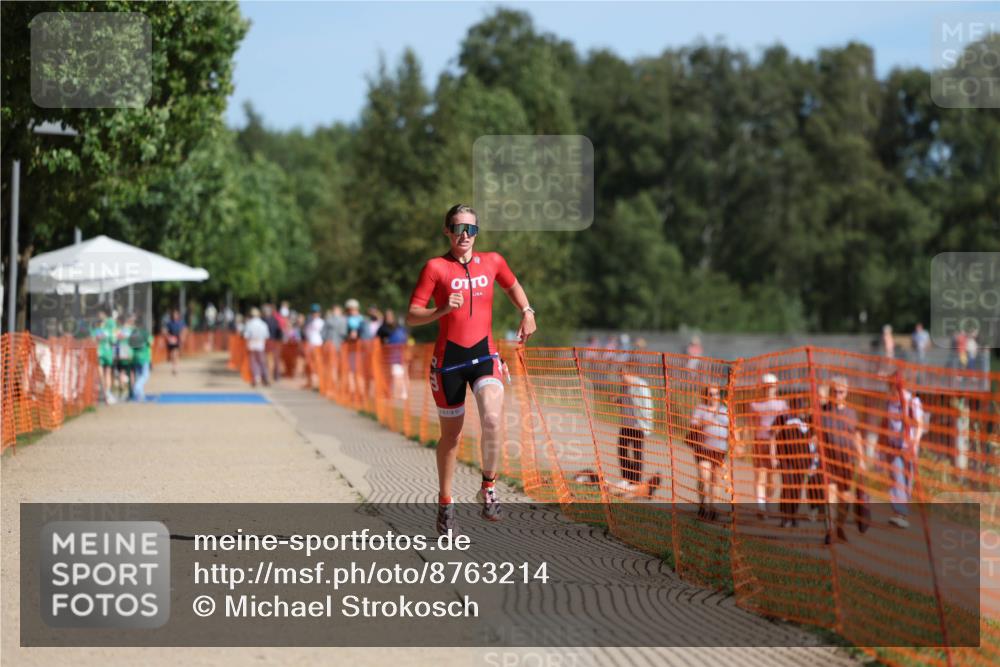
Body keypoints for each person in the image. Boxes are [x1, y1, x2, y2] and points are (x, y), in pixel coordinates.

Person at [407, 204, 536, 535]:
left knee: (493, 419)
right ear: (447, 231)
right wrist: (440, 310)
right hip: (448, 361)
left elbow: (511, 285)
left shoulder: (492, 261)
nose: (465, 235)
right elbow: (412, 315)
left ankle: (488, 488)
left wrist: (527, 310)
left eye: (471, 229)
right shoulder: (435, 268)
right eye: (458, 228)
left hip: (484, 356)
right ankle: (446, 503)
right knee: (452, 437)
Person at [818, 376, 867, 543]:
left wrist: (861, 459)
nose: (837, 394)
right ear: (829, 391)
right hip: (828, 461)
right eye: (834, 391)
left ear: (846, 393)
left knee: (844, 499)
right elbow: (814, 435)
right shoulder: (822, 411)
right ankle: (830, 531)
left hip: (846, 462)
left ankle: (839, 527)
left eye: (841, 392)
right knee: (829, 495)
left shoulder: (851, 413)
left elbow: (856, 436)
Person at [882, 372, 924, 529]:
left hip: (908, 446)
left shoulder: (912, 401)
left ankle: (902, 513)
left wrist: (915, 443)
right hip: (893, 446)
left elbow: (919, 424)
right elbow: (887, 423)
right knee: (896, 478)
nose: (890, 388)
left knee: (906, 480)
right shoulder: (889, 402)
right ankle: (899, 513)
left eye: (893, 385)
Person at [748, 373, 788, 520]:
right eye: (765, 386)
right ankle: (761, 507)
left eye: (771, 386)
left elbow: (786, 426)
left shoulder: (782, 405)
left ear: (775, 387)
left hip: (776, 445)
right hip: (759, 443)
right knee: (760, 476)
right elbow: (750, 426)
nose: (768, 389)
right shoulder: (754, 405)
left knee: (772, 480)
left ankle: (768, 502)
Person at [690, 384, 729, 520]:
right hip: (703, 449)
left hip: (719, 451)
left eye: (716, 393)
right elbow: (693, 426)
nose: (713, 397)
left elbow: (732, 430)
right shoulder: (701, 409)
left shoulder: (724, 410)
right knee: (704, 477)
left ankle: (714, 509)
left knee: (716, 480)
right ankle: (703, 505)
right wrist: (703, 423)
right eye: (711, 394)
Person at [613, 371, 654, 494]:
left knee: (637, 454)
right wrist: (618, 400)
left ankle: (635, 482)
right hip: (626, 424)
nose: (621, 378)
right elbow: (627, 402)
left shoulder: (641, 386)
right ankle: (626, 479)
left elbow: (647, 406)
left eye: (622, 376)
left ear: (629, 374)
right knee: (622, 450)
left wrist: (646, 425)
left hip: (638, 426)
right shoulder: (625, 386)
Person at [378, 309, 410, 400]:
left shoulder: (399, 328)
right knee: (391, 374)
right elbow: (379, 340)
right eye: (387, 316)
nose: (389, 318)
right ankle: (390, 392)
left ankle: (402, 392)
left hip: (400, 353)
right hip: (388, 355)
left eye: (390, 316)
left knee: (401, 373)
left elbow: (405, 339)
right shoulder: (382, 329)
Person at [91, 309, 118, 404]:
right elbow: (114, 340)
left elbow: (93, 340)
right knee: (107, 373)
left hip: (100, 352)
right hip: (107, 352)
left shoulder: (96, 329)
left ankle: (105, 393)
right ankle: (107, 393)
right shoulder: (109, 327)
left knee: (102, 373)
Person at [128, 314, 153, 402]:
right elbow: (151, 343)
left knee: (139, 375)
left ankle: (140, 396)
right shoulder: (145, 333)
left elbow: (129, 344)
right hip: (144, 357)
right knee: (145, 375)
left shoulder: (133, 332)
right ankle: (137, 388)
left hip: (135, 357)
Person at [243, 307, 271, 387]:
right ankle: (265, 378)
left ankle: (256, 378)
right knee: (262, 362)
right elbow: (266, 335)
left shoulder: (249, 323)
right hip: (260, 345)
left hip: (252, 345)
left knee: (254, 363)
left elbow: (246, 335)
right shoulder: (263, 324)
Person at [302, 304, 325, 389]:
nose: (314, 314)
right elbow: (305, 332)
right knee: (309, 364)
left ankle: (319, 383)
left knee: (317, 364)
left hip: (318, 345)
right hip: (309, 344)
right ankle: (311, 381)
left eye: (316, 312)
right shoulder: (309, 322)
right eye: (313, 312)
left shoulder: (321, 322)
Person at [263, 304, 284, 381]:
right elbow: (279, 331)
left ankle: (269, 376)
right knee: (275, 359)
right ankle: (275, 375)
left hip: (268, 341)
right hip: (275, 341)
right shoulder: (275, 320)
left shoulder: (265, 320)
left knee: (269, 359)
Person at [164, 309, 185, 376]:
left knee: (176, 353)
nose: (174, 316)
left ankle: (175, 367)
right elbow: (165, 331)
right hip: (171, 339)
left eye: (176, 314)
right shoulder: (169, 323)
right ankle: (174, 366)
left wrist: (182, 337)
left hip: (178, 339)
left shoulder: (180, 322)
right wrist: (168, 337)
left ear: (178, 315)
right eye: (173, 314)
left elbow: (184, 330)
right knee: (172, 354)